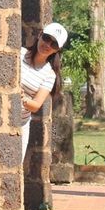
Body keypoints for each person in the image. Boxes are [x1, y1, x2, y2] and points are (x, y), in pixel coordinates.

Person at [20, 22, 68, 158]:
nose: (47, 45)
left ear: (57, 50)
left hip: (21, 124)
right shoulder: (19, 53)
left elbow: (35, 106)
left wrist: (22, 98)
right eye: (47, 38)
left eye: (54, 44)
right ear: (40, 35)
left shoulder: (49, 74)